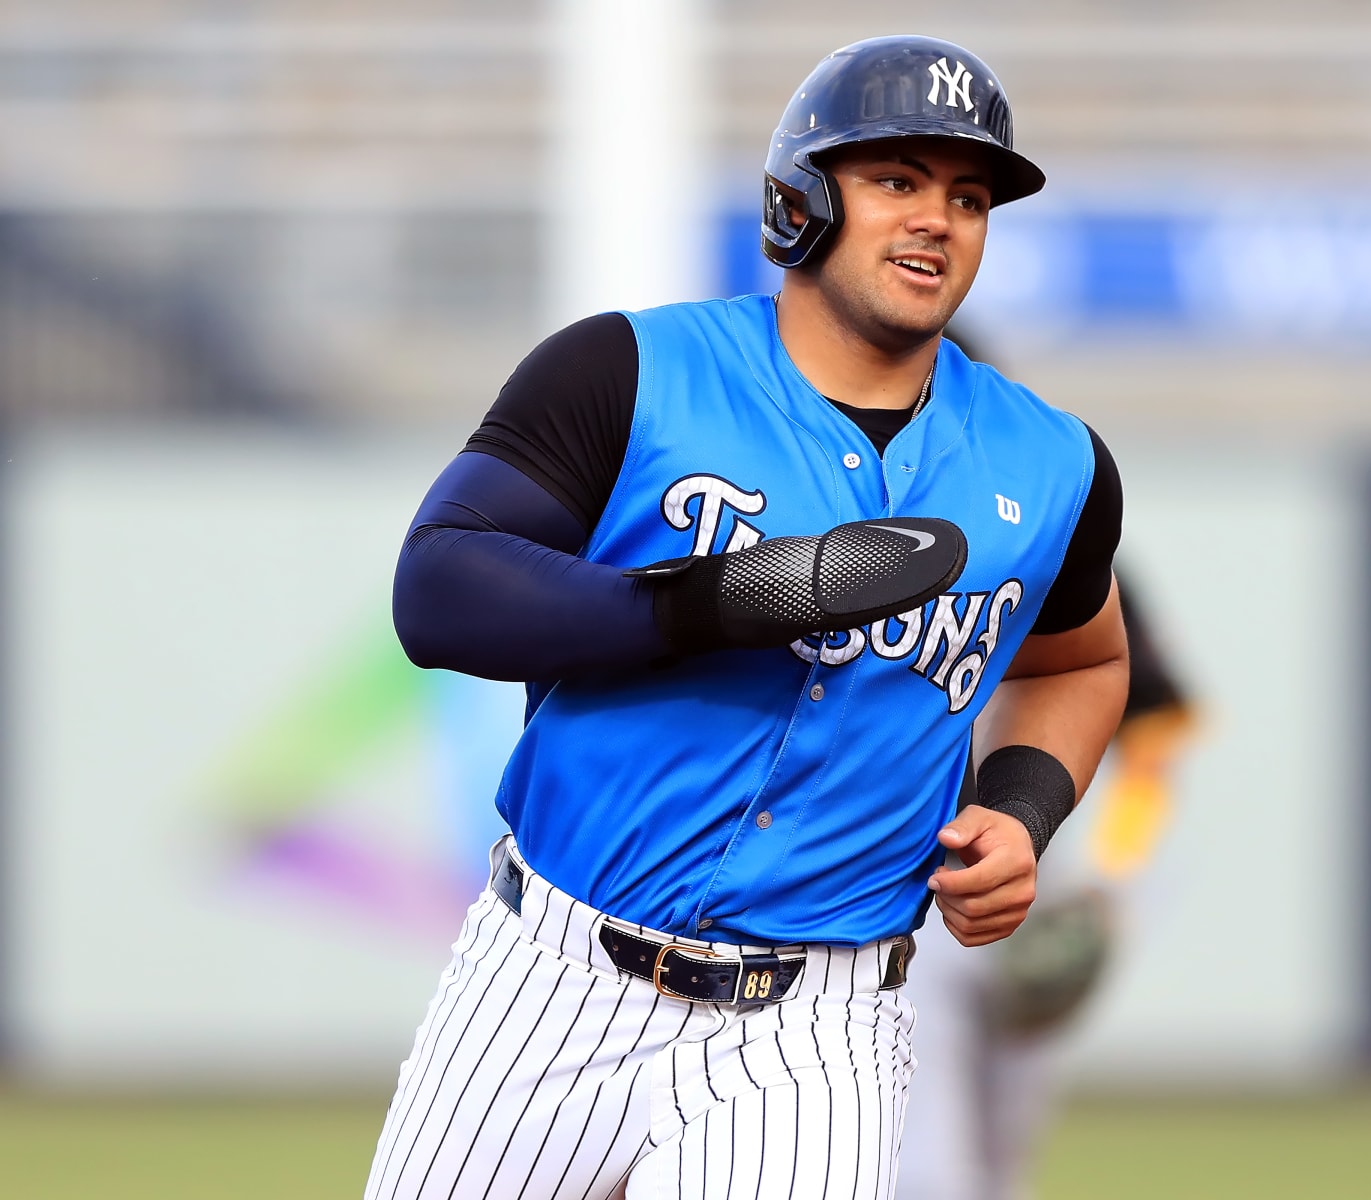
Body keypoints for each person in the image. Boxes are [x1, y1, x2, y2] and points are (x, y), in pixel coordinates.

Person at [362, 34, 1128, 1200]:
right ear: (802, 201)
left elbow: (1088, 660)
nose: (937, 219)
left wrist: (1022, 810)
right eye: (897, 181)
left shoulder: (1053, 461)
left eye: (969, 198)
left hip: (816, 1030)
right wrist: (723, 600)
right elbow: (442, 588)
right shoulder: (628, 369)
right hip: (551, 977)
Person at [893, 557, 1199, 1200]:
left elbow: (1151, 734)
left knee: (1006, 1146)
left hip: (1040, 878)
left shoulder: (1073, 553)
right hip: (915, 884)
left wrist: (1113, 877)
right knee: (921, 1152)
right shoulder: (887, 540)